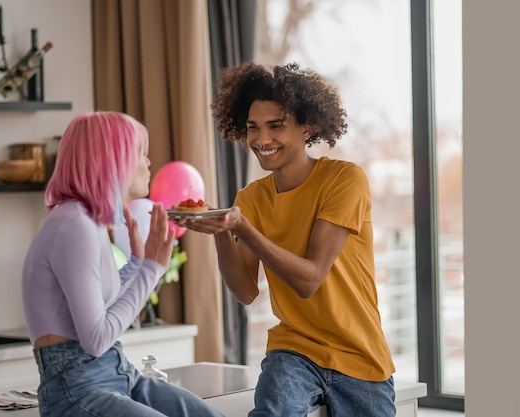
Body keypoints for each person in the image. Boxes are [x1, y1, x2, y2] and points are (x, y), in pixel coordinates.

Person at [177, 63, 396, 417]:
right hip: (294, 351)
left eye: (275, 126)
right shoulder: (250, 198)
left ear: (305, 126)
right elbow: (246, 292)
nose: (262, 139)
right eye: (253, 128)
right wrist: (222, 232)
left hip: (360, 353)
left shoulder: (344, 180)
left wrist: (243, 228)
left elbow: (309, 279)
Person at [21, 111, 225, 417]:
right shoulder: (73, 226)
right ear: (112, 159)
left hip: (116, 372)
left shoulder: (85, 221)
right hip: (75, 386)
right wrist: (151, 270)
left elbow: (100, 305)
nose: (148, 162)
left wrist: (138, 264)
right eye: (140, 153)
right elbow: (97, 339)